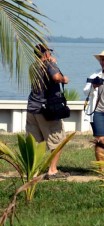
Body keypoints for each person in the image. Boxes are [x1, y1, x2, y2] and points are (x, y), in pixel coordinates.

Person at [26, 44, 70, 179]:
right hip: (46, 110)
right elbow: (56, 78)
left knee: (34, 142)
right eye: (49, 52)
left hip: (32, 108)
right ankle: (52, 170)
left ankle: (32, 170)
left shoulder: (33, 66)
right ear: (45, 54)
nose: (51, 55)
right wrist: (64, 79)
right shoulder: (49, 65)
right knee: (58, 141)